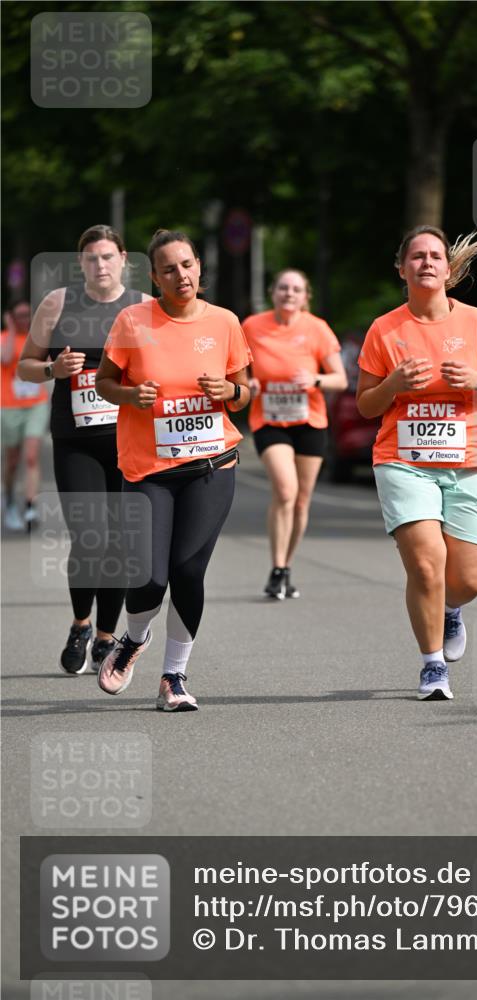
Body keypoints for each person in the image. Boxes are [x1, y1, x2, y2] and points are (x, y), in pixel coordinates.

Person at [356, 226, 477, 701]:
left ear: (449, 269)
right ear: (402, 268)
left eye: (435, 256)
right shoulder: (385, 329)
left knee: (467, 580)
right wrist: (394, 384)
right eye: (417, 256)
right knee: (427, 566)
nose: (427, 262)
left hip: (472, 459)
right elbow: (366, 405)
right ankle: (432, 666)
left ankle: (451, 609)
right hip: (403, 460)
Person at [95, 229, 251, 712]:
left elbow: (244, 393)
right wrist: (129, 394)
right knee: (148, 577)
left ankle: (174, 677)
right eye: (169, 269)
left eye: (187, 265)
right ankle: (134, 638)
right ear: (155, 277)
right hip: (148, 470)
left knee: (187, 569)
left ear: (199, 267)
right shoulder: (132, 320)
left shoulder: (225, 322)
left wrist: (229, 394)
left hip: (211, 463)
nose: (180, 275)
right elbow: (104, 383)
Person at [18, 225, 149, 674]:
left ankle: (107, 637)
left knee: (119, 544)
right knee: (89, 538)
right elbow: (25, 366)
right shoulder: (58, 303)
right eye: (92, 258)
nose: (100, 265)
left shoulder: (142, 309)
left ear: (123, 258)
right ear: (81, 263)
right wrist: (53, 367)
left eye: (108, 256)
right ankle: (81, 624)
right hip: (75, 439)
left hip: (128, 440)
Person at [242, 269, 347, 599]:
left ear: (305, 297)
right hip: (269, 420)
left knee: (301, 501)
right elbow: (238, 370)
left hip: (309, 421)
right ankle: (276, 568)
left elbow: (340, 379)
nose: (289, 293)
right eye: (284, 288)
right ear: (273, 292)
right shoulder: (252, 326)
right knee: (285, 491)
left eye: (296, 289)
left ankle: (286, 567)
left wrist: (315, 380)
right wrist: (248, 384)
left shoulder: (317, 329)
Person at [1, 300, 49, 531]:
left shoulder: (37, 339)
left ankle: (30, 506)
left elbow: (49, 365)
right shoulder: (4, 337)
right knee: (12, 461)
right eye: (18, 316)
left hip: (35, 405)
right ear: (12, 317)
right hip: (9, 406)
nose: (24, 319)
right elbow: (5, 358)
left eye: (27, 315)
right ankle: (9, 499)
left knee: (31, 456)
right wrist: (9, 329)